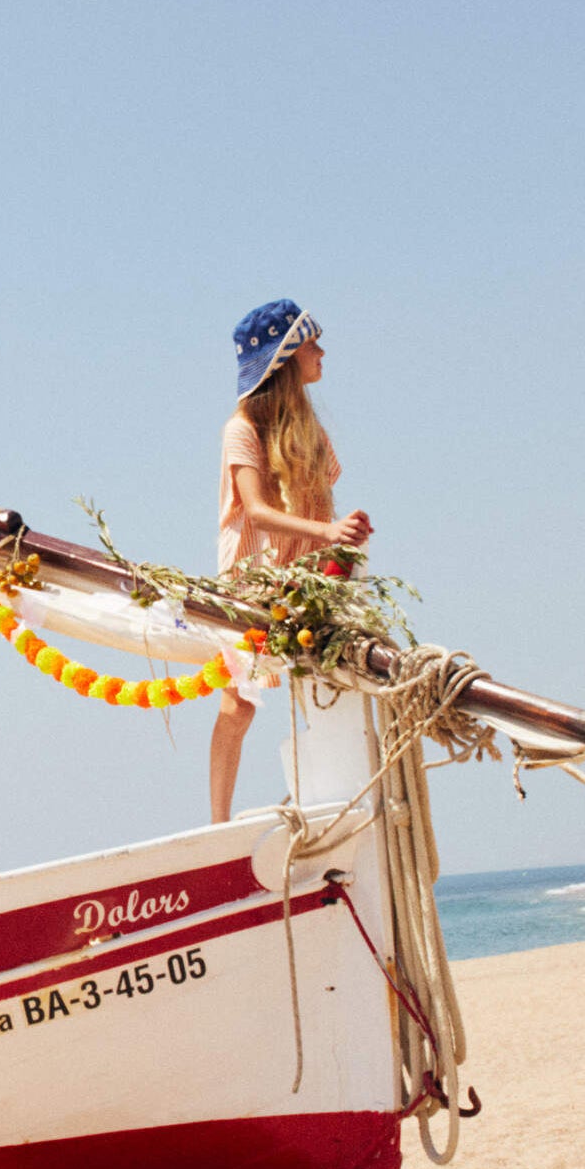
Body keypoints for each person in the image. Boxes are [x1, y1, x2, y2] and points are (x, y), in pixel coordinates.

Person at [210, 301, 374, 824]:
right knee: (238, 706)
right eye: (312, 344)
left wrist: (342, 544)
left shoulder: (312, 433)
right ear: (285, 358)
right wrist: (329, 531)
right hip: (254, 584)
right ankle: (216, 824)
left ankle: (335, 806)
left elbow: (323, 508)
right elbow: (256, 511)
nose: (322, 352)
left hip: (305, 581)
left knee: (325, 686)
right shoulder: (241, 430)